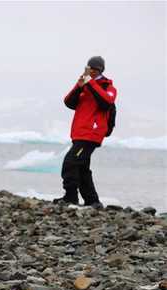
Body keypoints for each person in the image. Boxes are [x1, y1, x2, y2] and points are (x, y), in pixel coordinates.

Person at [53, 56, 117, 207]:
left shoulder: (108, 87)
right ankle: (92, 201)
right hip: (80, 133)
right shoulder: (85, 86)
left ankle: (70, 197)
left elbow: (106, 102)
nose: (92, 72)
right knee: (82, 167)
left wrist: (91, 82)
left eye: (95, 70)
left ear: (101, 70)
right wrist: (79, 85)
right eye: (90, 69)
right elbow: (68, 102)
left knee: (70, 162)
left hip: (91, 134)